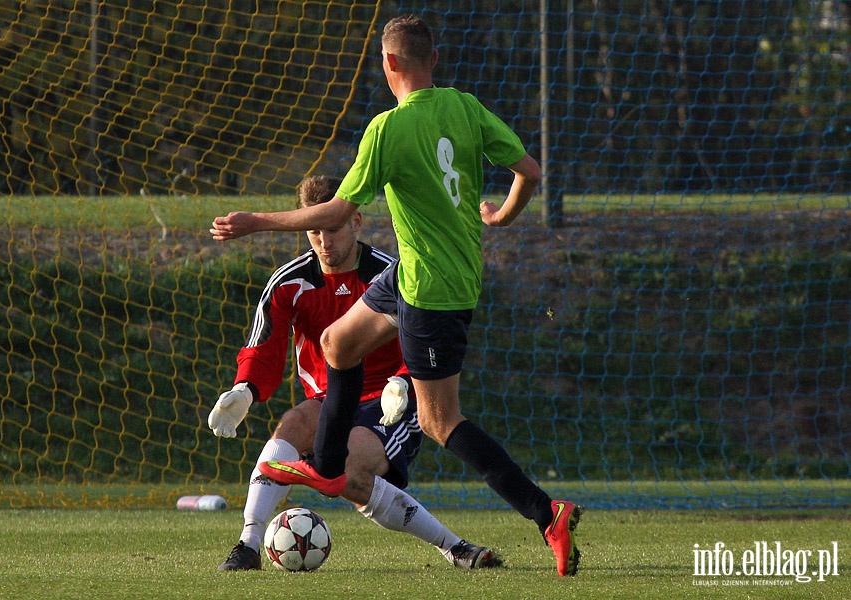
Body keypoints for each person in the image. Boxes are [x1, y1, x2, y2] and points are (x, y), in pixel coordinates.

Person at [210, 16, 582, 576]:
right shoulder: (465, 107)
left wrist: (255, 221)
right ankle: (331, 466)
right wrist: (499, 215)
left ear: (389, 65)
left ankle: (544, 511)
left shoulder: (387, 128)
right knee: (337, 343)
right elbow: (528, 171)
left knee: (441, 421)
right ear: (433, 59)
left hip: (431, 292)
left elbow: (337, 211)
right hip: (418, 275)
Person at [208, 175, 501, 572]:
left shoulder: (391, 275)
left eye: (332, 229)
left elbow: (420, 337)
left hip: (390, 405)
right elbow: (264, 346)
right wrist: (244, 390)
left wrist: (402, 380)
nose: (324, 243)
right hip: (327, 401)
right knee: (290, 426)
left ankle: (455, 547)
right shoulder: (288, 283)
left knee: (352, 475)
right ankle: (247, 546)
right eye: (313, 233)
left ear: (356, 222)